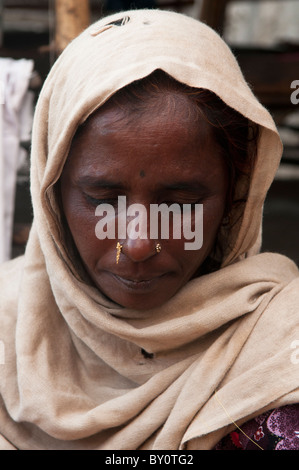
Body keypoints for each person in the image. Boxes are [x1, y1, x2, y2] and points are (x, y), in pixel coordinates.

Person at [0, 9, 298, 450]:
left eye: (180, 204)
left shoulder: (281, 356)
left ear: (236, 194)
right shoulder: (7, 327)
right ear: (53, 193)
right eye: (103, 200)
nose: (137, 245)